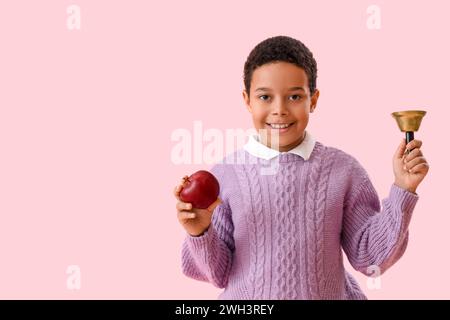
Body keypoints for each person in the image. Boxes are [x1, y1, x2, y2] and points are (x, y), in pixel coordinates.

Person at [174, 35, 429, 299]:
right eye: (265, 97)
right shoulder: (226, 175)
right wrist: (200, 232)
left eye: (295, 96)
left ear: (314, 100)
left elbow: (370, 257)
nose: (279, 110)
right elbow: (218, 274)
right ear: (247, 100)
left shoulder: (344, 171)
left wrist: (403, 189)